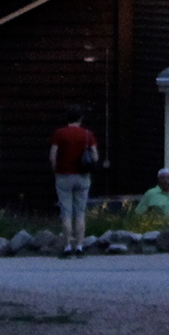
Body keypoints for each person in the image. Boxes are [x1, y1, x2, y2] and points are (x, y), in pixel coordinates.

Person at [48, 106, 99, 256]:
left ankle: (67, 247)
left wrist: (56, 170)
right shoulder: (88, 135)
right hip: (82, 176)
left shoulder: (59, 134)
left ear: (66, 118)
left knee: (66, 212)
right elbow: (95, 157)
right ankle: (80, 247)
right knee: (80, 212)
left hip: (63, 175)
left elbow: (53, 156)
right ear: (80, 118)